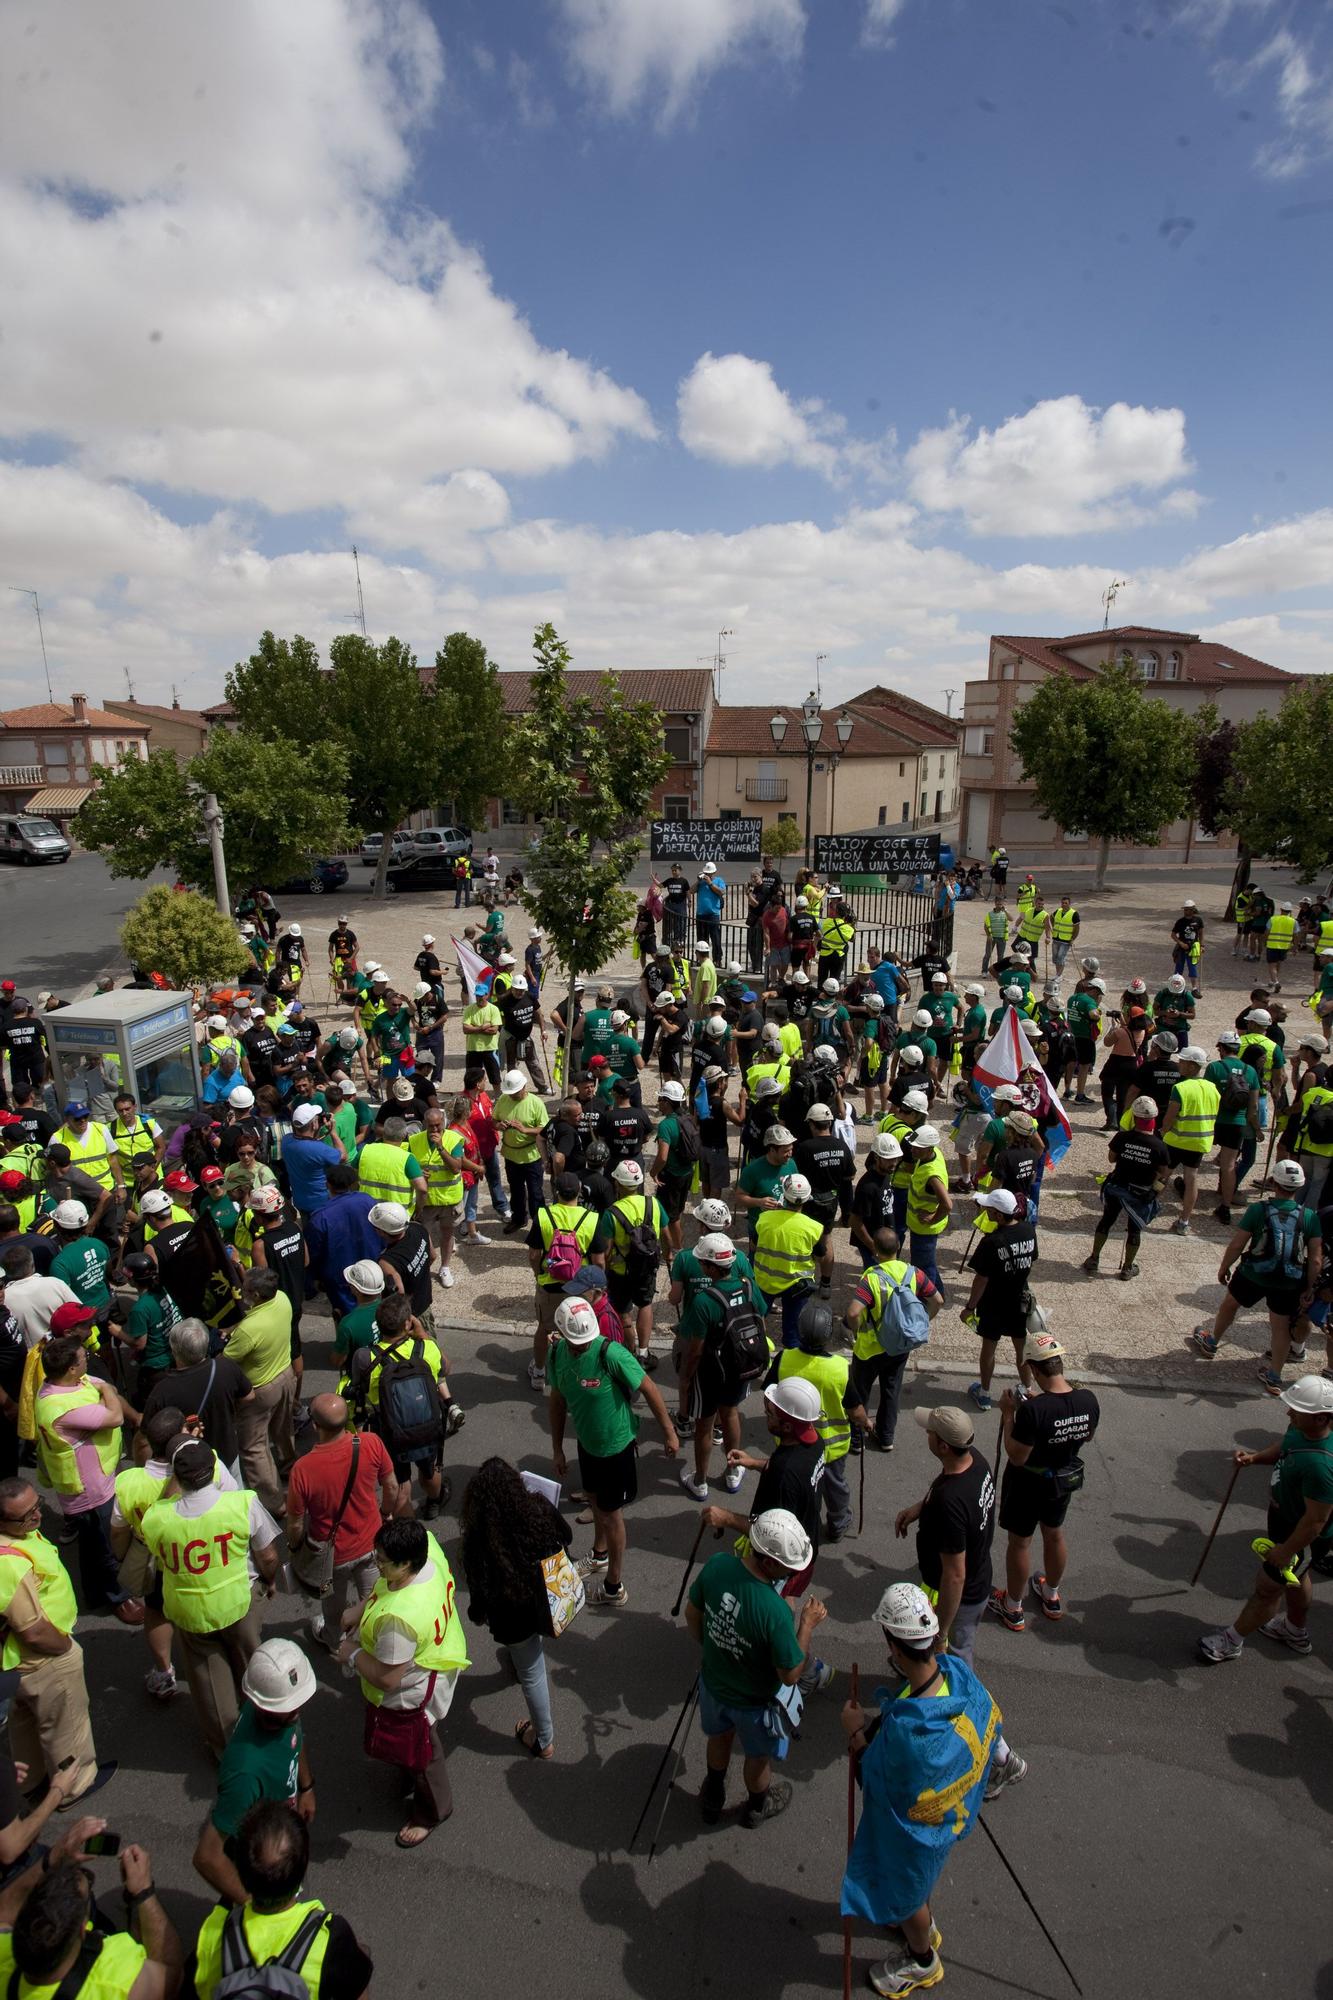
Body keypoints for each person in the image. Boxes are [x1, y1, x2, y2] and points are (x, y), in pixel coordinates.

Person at [840, 1581, 1000, 1999]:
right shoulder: (958, 1674)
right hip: (950, 1814)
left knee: (907, 1893)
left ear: (893, 1647)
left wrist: (857, 1733)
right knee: (917, 1887)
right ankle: (919, 1924)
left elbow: (872, 1779)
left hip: (915, 1837)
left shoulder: (905, 1734)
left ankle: (922, 1958)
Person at [332, 1517, 468, 1850]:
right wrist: (360, 1609)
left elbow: (387, 1677)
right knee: (418, 1748)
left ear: (406, 1563)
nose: (375, 1564)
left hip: (411, 1694)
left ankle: (432, 1810)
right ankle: (413, 1776)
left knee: (421, 1753)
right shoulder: (428, 1550)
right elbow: (384, 1591)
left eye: (382, 1561)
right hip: (437, 1662)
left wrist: (351, 1654)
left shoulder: (398, 1621)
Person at [685, 1508, 826, 1828]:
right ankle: (757, 1806)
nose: (793, 1576)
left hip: (714, 1685)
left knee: (719, 1740)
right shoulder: (775, 1611)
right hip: (756, 1704)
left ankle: (712, 1794)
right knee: (757, 1757)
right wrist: (806, 1625)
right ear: (772, 1563)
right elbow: (790, 1674)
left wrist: (712, 1649)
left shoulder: (718, 1565)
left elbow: (693, 1616)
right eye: (791, 1570)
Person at [141, 1436, 280, 1760]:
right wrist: (270, 1580)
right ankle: (266, 1730)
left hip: (190, 1612)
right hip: (240, 1603)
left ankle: (226, 1751)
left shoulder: (158, 1517)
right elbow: (268, 1556)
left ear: (177, 1476)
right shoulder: (242, 1503)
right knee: (251, 1671)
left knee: (209, 1685)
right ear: (213, 1470)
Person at [546, 1295, 679, 1609]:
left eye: (584, 1342)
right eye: (575, 1343)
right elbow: (557, 1401)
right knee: (594, 1500)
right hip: (588, 1445)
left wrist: (669, 1432)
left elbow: (649, 1387)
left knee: (612, 1515)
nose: (581, 1348)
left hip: (616, 1449)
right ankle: (599, 1555)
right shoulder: (556, 1354)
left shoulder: (611, 1353)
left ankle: (613, 1587)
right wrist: (556, 1450)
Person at [1198, 1373, 1333, 1664]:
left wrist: (1286, 1551)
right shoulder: (1302, 1430)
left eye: (1296, 1410)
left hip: (1300, 1536)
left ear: (1321, 1418)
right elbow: (1286, 1444)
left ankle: (1232, 1641)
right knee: (1299, 1578)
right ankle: (1294, 1630)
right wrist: (1255, 1458)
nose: (1288, 1413)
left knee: (1267, 1588)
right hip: (1285, 1521)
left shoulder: (1323, 1467)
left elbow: (1316, 1522)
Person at [0, 1477, 113, 1807]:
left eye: (37, 1506)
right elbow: (32, 1629)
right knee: (67, 1727)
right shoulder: (9, 1565)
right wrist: (65, 1649)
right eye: (26, 1515)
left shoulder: (14, 1536)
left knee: (24, 1724)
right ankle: (74, 1785)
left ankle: (31, 1781)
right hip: (43, 1660)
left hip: (15, 1665)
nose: (37, 1516)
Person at [188, 1799, 372, 1995]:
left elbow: (205, 1991)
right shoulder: (329, 1937)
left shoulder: (215, 1933)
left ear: (240, 1873)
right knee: (361, 1956)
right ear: (302, 1870)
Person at [987, 1330, 1101, 1630]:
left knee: (1020, 1544)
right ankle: (1051, 1594)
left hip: (1028, 1483)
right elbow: (1085, 1435)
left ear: (1035, 1370)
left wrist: (1010, 1414)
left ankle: (1012, 1606)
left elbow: (1017, 1455)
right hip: (1063, 1479)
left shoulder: (1034, 1411)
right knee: (1054, 1534)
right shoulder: (1088, 1400)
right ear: (1059, 1363)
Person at [460, 1456, 572, 1760]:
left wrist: (478, 1613)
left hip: (511, 1618)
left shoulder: (477, 1536)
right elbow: (568, 1536)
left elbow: (478, 1589)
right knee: (531, 1666)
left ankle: (544, 1740)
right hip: (547, 1601)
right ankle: (540, 1729)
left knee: (532, 1672)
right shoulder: (537, 1508)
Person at [193, 1638, 318, 1907]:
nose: (299, 1708)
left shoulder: (278, 1709)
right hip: (262, 1870)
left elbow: (296, 1739)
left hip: (281, 1838)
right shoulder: (244, 1774)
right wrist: (258, 1910)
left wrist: (306, 1787)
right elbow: (207, 1856)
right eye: (293, 1705)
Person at [0, 1819, 182, 2000]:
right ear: (83, 1929)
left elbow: (3, 1911)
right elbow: (171, 1979)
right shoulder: (115, 1980)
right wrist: (143, 1893)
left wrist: (53, 1857)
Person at [33, 1328, 143, 1623]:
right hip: (90, 1488)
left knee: (91, 1544)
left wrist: (100, 1387)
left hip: (89, 1481)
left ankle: (94, 1593)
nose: (87, 1361)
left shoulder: (57, 1385)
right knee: (108, 1544)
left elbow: (91, 1382)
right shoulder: (60, 1407)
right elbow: (115, 1416)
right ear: (71, 1368)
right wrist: (108, 1390)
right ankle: (118, 1597)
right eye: (83, 1359)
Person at [1191, 1159, 1323, 1387]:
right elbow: (1315, 1259)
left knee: (1230, 1303)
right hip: (1289, 1280)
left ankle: (1212, 1342)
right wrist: (1309, 1287)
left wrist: (1224, 1267)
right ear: (1299, 1186)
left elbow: (1237, 1244)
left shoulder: (1258, 1210)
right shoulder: (1309, 1216)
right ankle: (1274, 1377)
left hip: (1254, 1273)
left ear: (1273, 1183)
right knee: (1280, 1326)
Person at [895, 1406, 1002, 1672]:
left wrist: (941, 1633)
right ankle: (923, 1664)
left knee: (956, 1656)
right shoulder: (974, 1460)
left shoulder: (949, 1503)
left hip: (964, 1596)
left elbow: (955, 1575)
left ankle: (957, 1701)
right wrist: (921, 1507)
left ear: (943, 1446)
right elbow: (950, 1489)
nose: (926, 1434)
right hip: (976, 1576)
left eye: (929, 1432)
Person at [287, 1394, 398, 1645]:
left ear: (315, 1426)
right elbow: (391, 1486)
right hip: (371, 1542)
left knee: (332, 1603)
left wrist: (295, 1547)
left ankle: (334, 1638)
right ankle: (375, 1643)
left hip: (330, 1557)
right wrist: (385, 1514)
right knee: (373, 1598)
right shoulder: (371, 1443)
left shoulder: (302, 1469)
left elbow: (295, 1523)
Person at [675, 1234, 765, 1501]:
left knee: (705, 1425)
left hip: (710, 1373)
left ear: (712, 1267)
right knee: (731, 1415)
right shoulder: (749, 1286)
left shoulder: (704, 1302)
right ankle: (732, 1471)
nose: (701, 1265)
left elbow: (695, 1350)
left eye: (703, 1262)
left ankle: (700, 1481)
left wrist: (686, 1378)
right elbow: (759, 1314)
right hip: (740, 1366)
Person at [844, 1229, 941, 1451]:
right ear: (898, 1247)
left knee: (861, 1391)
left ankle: (856, 1439)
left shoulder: (871, 1277)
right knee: (890, 1390)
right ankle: (886, 1437)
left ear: (876, 1251)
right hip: (899, 1345)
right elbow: (938, 1300)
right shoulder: (913, 1273)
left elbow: (852, 1313)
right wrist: (924, 1320)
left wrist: (857, 1329)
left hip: (869, 1348)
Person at [777, 1300, 865, 1541]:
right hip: (831, 1447)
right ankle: (838, 1523)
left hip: (792, 1442)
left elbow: (770, 1394)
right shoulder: (839, 1368)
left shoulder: (784, 1359)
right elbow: (855, 1410)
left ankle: (796, 1525)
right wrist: (866, 1423)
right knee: (834, 1486)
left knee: (795, 1484)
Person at [224, 1268, 297, 1515]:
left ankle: (273, 1502)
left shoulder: (248, 1330)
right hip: (286, 1375)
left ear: (255, 1294)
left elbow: (226, 1360)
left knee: (254, 1447)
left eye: (244, 1289)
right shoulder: (283, 1299)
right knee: (283, 1430)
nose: (241, 1292)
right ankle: (290, 1466)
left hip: (260, 1391)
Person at [141, 1319, 253, 1480]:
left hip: (188, 1468)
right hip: (228, 1457)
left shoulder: (162, 1391)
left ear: (174, 1350)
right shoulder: (226, 1367)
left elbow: (146, 1437)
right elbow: (249, 1396)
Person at [961, 1189, 1037, 1412]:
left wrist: (969, 1308)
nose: (985, 1211)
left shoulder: (991, 1242)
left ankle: (984, 1393)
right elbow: (1032, 1260)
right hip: (1019, 1300)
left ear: (998, 1214)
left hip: (994, 1302)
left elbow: (981, 1279)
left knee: (989, 1348)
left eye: (988, 1209)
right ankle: (1026, 1389)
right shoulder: (1028, 1230)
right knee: (1021, 1348)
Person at [526, 1171, 599, 1392]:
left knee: (544, 1328)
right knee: (580, 1330)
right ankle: (581, 1373)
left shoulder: (544, 1215)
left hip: (550, 1283)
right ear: (579, 1191)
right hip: (581, 1285)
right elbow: (599, 1260)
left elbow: (533, 1254)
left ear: (556, 1192)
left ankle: (539, 1373)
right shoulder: (591, 1218)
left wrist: (539, 1274)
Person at [1084, 1096, 1169, 1281]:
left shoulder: (1122, 1137)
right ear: (1154, 1119)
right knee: (1134, 1229)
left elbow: (1111, 1159)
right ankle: (1128, 1267)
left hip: (1117, 1186)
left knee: (1107, 1220)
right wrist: (1155, 1190)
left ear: (1134, 1118)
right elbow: (1163, 1173)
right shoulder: (1159, 1146)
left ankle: (1094, 1258)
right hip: (1141, 1192)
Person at [752, 1174, 828, 1349]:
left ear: (784, 1196)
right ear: (806, 1199)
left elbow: (753, 1245)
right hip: (797, 1287)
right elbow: (820, 1256)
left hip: (765, 1281)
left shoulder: (764, 1219)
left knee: (755, 1321)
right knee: (793, 1334)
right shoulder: (814, 1227)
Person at [1160, 1045, 1220, 1236]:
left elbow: (1169, 1118)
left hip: (1178, 1139)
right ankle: (1184, 1220)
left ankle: (1147, 1209)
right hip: (1200, 1141)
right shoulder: (1212, 1087)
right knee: (1191, 1178)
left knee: (1162, 1176)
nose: (1179, 1063)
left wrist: (1163, 1132)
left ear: (1193, 1066)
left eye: (1183, 1061)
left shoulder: (1180, 1088)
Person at [494, 1071, 549, 1235]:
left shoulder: (536, 1103)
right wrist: (499, 1125)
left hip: (531, 1156)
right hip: (511, 1156)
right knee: (516, 1190)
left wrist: (525, 1129)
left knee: (535, 1192)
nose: (512, 1096)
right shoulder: (503, 1099)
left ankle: (539, 1225)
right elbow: (493, 1119)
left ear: (524, 1087)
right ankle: (518, 1219)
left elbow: (544, 1129)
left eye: (515, 1092)